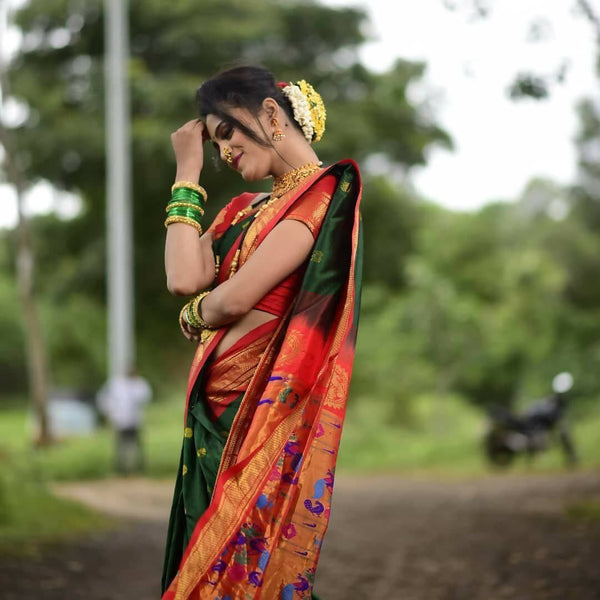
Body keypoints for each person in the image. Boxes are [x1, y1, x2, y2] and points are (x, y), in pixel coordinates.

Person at [161, 65, 362, 600]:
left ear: (270, 114)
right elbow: (183, 278)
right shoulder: (239, 211)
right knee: (212, 560)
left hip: (260, 418)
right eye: (216, 142)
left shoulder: (319, 200)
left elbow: (235, 297)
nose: (224, 153)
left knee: (247, 565)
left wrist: (195, 317)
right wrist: (187, 173)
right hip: (212, 419)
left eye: (227, 133)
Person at [96, 366, 152, 474]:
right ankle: (121, 469)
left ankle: (138, 469)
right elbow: (102, 397)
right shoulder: (116, 384)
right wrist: (109, 411)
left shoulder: (140, 384)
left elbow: (146, 398)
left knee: (137, 445)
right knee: (120, 446)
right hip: (120, 420)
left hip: (135, 420)